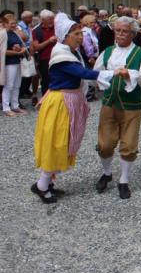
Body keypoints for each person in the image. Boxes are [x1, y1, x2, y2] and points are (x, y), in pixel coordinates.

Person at [31, 13, 115, 204]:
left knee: (64, 141)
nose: (80, 36)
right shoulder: (61, 54)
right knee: (57, 142)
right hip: (60, 102)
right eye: (76, 33)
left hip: (68, 101)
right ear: (65, 36)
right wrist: (112, 73)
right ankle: (42, 186)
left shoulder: (69, 51)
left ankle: (46, 183)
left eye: (80, 33)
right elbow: (81, 72)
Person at [93, 17, 141, 199]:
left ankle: (124, 180)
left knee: (128, 144)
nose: (120, 34)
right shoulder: (106, 53)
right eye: (118, 30)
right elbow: (94, 75)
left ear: (133, 34)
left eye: (125, 31)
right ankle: (106, 173)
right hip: (109, 103)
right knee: (105, 144)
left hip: (132, 106)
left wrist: (129, 73)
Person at [2, 15, 27, 116]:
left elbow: (21, 44)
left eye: (14, 23)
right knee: (9, 85)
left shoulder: (14, 33)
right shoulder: (3, 34)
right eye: (11, 23)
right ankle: (6, 107)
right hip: (9, 63)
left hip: (17, 61)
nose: (14, 25)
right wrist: (17, 52)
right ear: (5, 24)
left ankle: (15, 105)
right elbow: (2, 51)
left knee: (17, 85)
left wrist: (20, 49)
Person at [32, 10, 57, 95]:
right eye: (49, 19)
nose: (51, 21)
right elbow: (36, 47)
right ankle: (45, 101)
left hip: (58, 57)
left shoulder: (57, 27)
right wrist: (49, 41)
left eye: (52, 19)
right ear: (42, 20)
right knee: (46, 81)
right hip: (45, 59)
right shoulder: (37, 31)